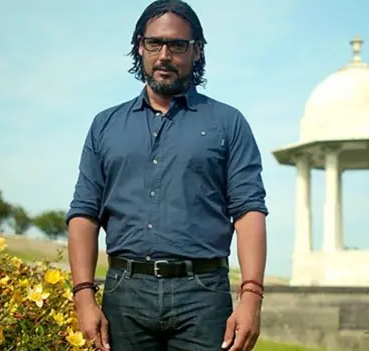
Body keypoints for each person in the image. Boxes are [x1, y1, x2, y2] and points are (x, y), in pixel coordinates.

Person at [66, 0, 268, 350]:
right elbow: (84, 212)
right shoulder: (105, 126)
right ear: (139, 47)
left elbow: (249, 210)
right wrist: (84, 296)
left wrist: (251, 298)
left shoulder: (228, 123)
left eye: (177, 45)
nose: (164, 55)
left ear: (197, 52)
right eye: (154, 43)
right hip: (124, 296)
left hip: (203, 297)